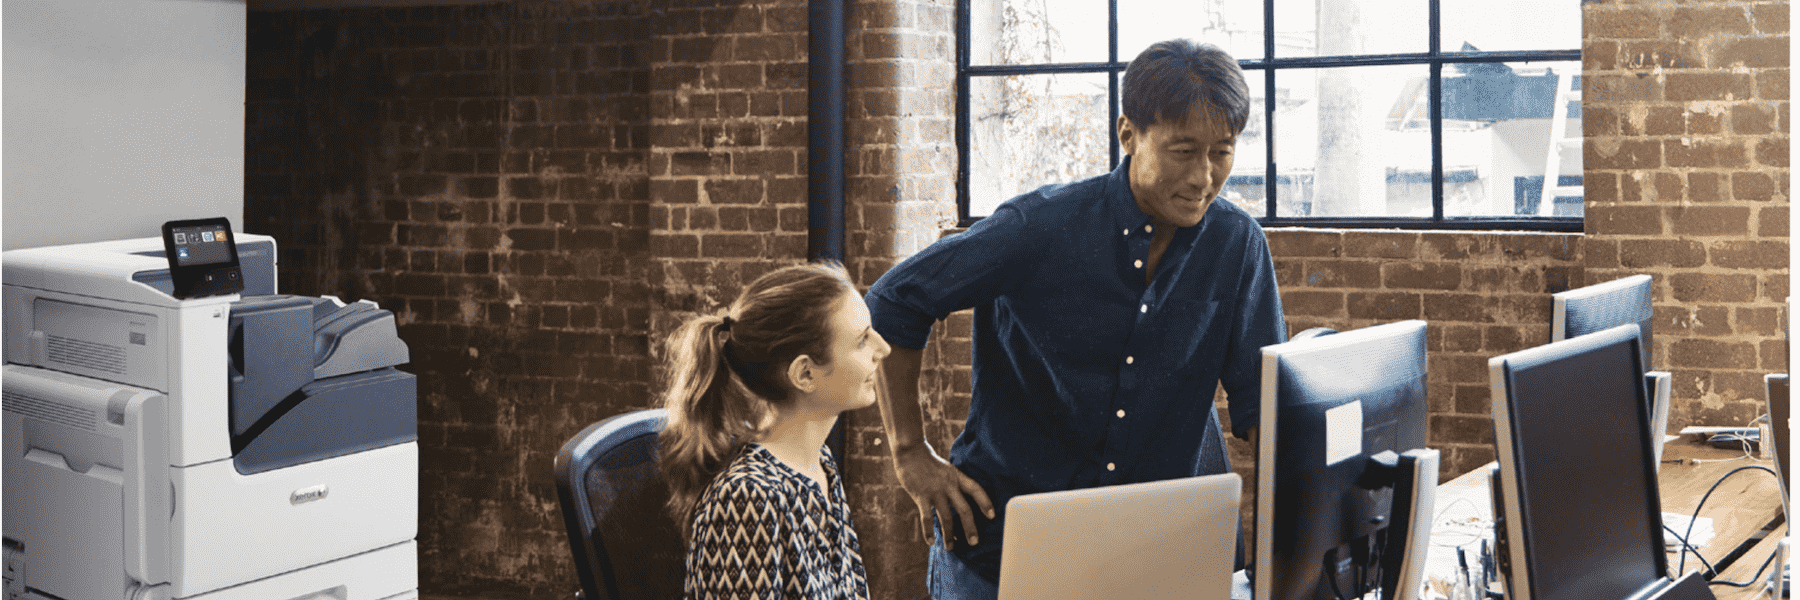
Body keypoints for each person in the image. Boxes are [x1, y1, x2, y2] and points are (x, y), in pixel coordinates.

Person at [865, 39, 1285, 599]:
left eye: (1222, 153)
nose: (1203, 177)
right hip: (1002, 545)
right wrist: (909, 453)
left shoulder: (1236, 244)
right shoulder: (1040, 226)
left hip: (1152, 552)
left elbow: (1264, 407)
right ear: (1128, 134)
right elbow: (895, 299)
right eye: (1183, 151)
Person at [658, 262, 893, 600]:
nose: (882, 349)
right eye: (861, 341)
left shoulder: (819, 464)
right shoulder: (746, 498)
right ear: (805, 375)